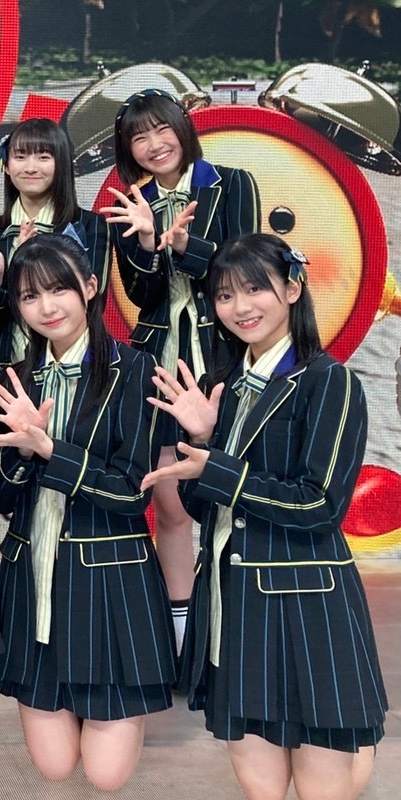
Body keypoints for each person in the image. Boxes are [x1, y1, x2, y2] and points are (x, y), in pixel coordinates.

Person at [145, 233, 384, 800]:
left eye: (255, 289)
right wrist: (204, 440)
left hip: (307, 597)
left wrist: (220, 467)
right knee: (264, 794)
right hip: (234, 600)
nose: (241, 306)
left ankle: (360, 733)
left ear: (292, 289)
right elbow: (206, 507)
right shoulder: (222, 385)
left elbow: (320, 506)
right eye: (225, 295)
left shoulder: (329, 381)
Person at [0, 233, 173, 791]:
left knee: (106, 776)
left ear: (89, 286)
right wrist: (20, 456)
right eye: (29, 296)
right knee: (55, 767)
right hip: (30, 578)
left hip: (110, 582)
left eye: (58, 289)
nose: (47, 307)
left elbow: (132, 492)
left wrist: (49, 450)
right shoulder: (12, 380)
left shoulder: (136, 369)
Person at [99, 88, 260, 648]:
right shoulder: (131, 203)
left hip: (223, 354)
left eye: (161, 129)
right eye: (138, 137)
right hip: (159, 358)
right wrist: (146, 242)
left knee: (227, 491)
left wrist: (189, 246)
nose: (153, 144)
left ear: (182, 129)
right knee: (169, 501)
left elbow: (245, 271)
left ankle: (234, 621)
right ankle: (180, 626)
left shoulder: (232, 184)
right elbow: (141, 295)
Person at [0, 117, 111, 370]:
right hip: (7, 368)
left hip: (76, 365)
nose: (30, 168)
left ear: (61, 164)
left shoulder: (90, 226)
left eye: (43, 157)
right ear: (6, 165)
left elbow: (93, 303)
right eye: (20, 157)